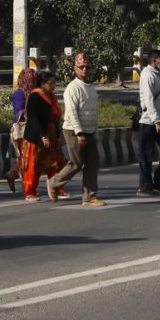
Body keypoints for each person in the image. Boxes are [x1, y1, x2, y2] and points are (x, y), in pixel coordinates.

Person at [49, 52, 105, 207]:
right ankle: (54, 183)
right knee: (76, 163)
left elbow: (94, 111)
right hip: (74, 130)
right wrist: (79, 133)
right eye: (81, 67)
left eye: (87, 67)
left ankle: (89, 196)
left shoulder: (91, 88)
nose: (85, 70)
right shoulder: (72, 88)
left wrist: (95, 130)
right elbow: (72, 112)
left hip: (90, 130)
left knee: (93, 163)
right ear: (75, 69)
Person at [21, 71, 67, 202]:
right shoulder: (35, 97)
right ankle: (30, 191)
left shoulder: (51, 97)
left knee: (56, 163)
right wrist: (42, 136)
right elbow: (34, 119)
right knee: (34, 164)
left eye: (54, 83)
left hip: (51, 135)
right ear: (42, 84)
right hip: (37, 136)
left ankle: (57, 187)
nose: (53, 86)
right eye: (50, 84)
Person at [136, 49, 160, 196]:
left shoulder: (158, 74)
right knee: (146, 155)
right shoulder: (147, 75)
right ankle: (145, 187)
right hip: (149, 121)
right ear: (155, 60)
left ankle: (159, 182)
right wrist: (157, 122)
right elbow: (149, 101)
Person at [6, 68, 35, 193]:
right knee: (24, 158)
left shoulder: (32, 92)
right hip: (21, 130)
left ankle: (12, 174)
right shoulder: (19, 93)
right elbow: (19, 112)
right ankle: (26, 186)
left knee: (29, 158)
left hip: (32, 129)